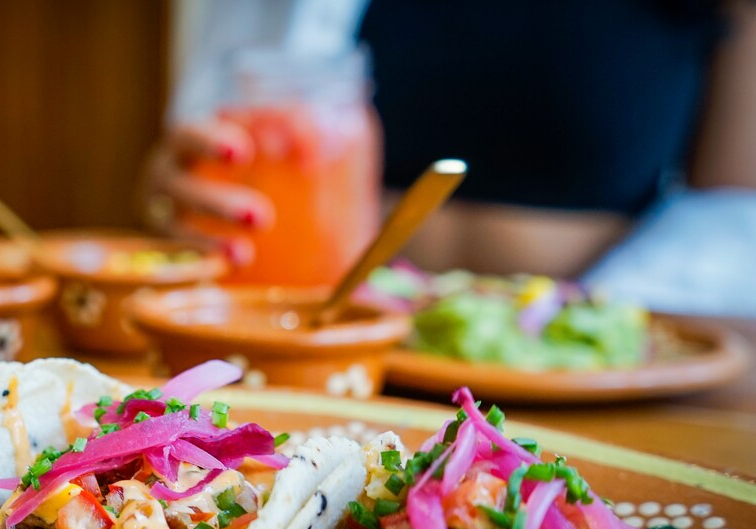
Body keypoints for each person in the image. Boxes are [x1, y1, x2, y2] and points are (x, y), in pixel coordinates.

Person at [144, 0, 756, 316]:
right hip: (334, 351)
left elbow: (736, 220)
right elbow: (201, 155)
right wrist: (180, 200)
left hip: (603, 385)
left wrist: (590, 332)